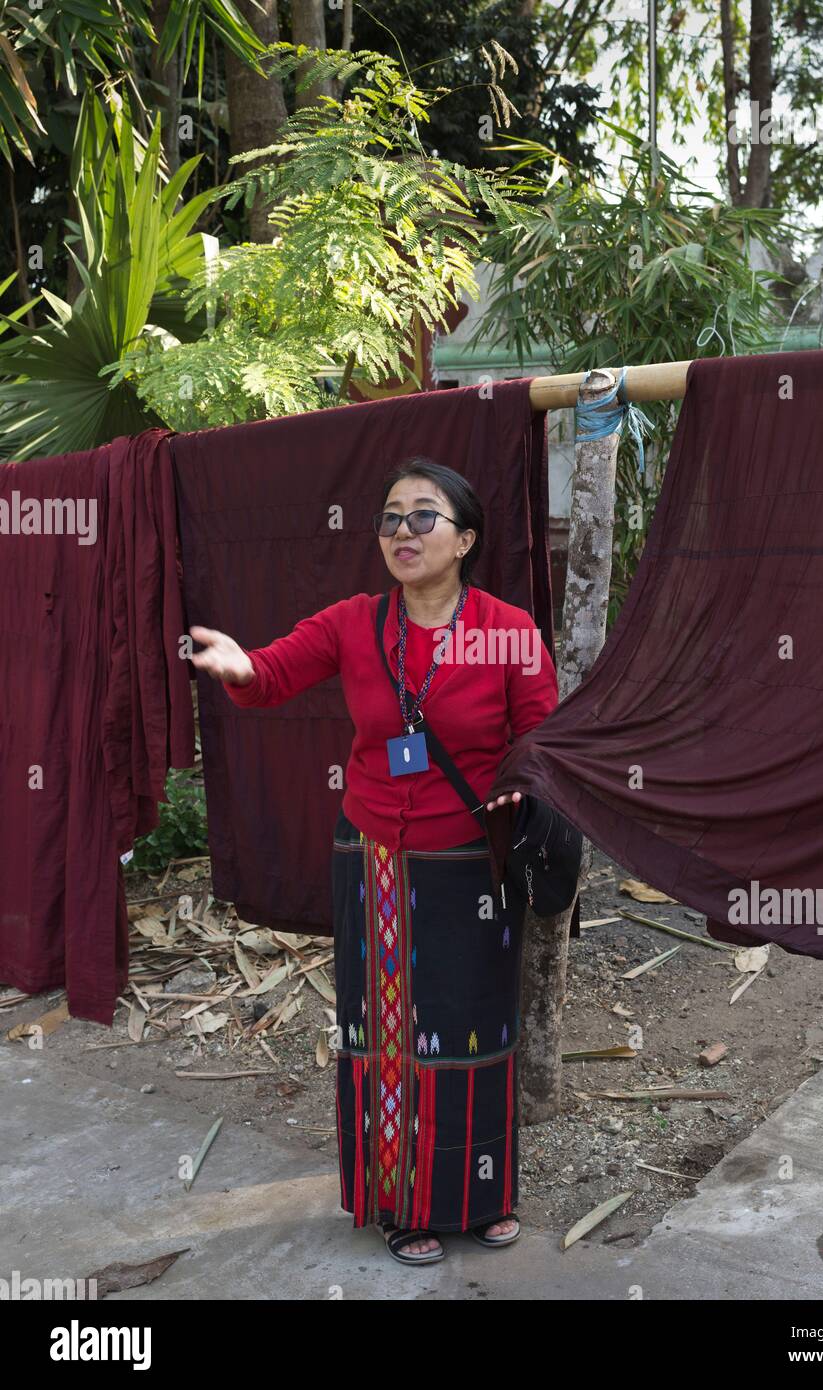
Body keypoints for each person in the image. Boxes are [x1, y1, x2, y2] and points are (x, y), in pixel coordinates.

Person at [189, 458, 559, 1266]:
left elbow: (541, 737)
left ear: (463, 539)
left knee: (474, 1030)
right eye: (390, 518)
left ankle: (481, 1194)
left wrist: (516, 790)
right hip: (376, 858)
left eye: (423, 517)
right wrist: (236, 665)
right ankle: (400, 1202)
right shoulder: (355, 622)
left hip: (471, 858)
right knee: (389, 1032)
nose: (401, 532)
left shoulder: (506, 627)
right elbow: (274, 670)